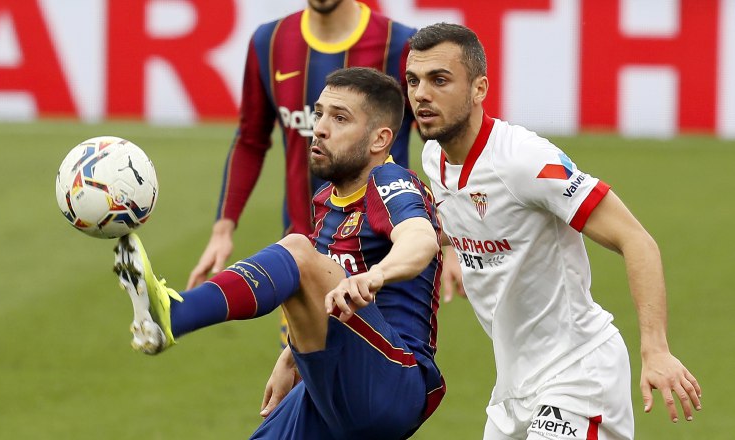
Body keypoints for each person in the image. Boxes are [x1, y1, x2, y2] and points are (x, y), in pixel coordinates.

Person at [113, 67, 445, 440]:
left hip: (393, 380)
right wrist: (291, 356)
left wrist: (376, 275)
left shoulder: (391, 183)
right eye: (319, 113)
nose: (319, 128)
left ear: (380, 139)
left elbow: (420, 238)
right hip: (336, 380)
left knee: (297, 249)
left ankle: (175, 313)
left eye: (339, 118)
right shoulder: (327, 201)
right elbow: (321, 291)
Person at [405, 23, 702, 439]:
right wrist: (452, 246)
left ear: (478, 89)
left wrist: (656, 349)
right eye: (414, 81)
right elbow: (474, 213)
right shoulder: (434, 157)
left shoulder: (524, 160)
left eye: (440, 80)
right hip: (512, 388)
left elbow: (637, 241)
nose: (421, 94)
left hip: (579, 375)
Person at [188, 0, 417, 291]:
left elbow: (438, 139)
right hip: (302, 255)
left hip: (383, 262)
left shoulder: (399, 44)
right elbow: (250, 140)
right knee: (299, 340)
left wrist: (447, 239)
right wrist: (223, 228)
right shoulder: (269, 43)